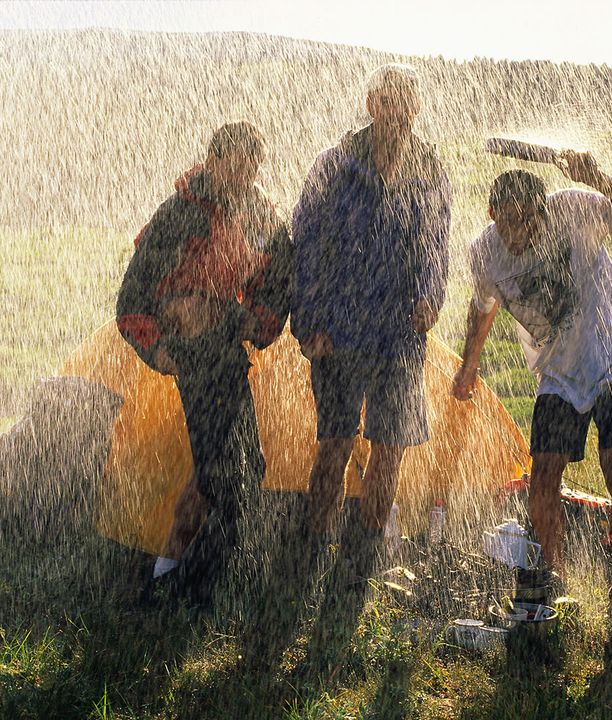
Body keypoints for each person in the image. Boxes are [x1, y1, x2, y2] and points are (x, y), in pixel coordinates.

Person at [251, 63, 451, 673]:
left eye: (405, 106)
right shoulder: (335, 164)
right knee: (334, 449)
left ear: (415, 111)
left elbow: (436, 244)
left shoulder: (428, 168)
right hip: (339, 333)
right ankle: (310, 551)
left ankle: (359, 561)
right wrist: (307, 321)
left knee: (390, 451)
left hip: (399, 338)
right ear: (371, 104)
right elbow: (305, 244)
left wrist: (431, 295)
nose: (395, 115)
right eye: (386, 104)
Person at [451, 152, 612, 622]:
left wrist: (596, 176)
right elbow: (484, 306)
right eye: (508, 223)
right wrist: (469, 365)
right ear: (492, 216)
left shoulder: (574, 209)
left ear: (543, 211)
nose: (518, 233)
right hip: (560, 372)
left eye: (527, 220)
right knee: (542, 476)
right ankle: (554, 579)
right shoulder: (484, 251)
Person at [115, 121, 293, 612]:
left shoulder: (260, 213)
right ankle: (214, 586)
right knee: (222, 472)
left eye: (251, 166)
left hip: (226, 353)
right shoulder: (176, 215)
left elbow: (280, 281)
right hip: (193, 357)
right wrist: (160, 351)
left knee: (236, 466)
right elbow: (131, 301)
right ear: (212, 162)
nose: (243, 174)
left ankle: (172, 575)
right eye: (234, 163)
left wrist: (246, 320)